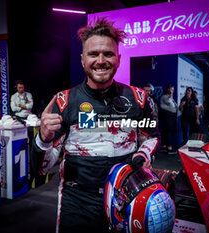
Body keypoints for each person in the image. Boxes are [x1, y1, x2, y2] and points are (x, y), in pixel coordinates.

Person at [30, 18, 160, 233]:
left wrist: (144, 155)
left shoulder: (138, 98)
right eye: (93, 54)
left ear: (118, 59)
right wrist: (42, 138)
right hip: (78, 203)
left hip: (125, 198)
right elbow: (41, 169)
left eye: (108, 54)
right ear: (82, 60)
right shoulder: (65, 101)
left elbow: (152, 137)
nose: (101, 60)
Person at [160, 85, 177, 153]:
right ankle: (169, 147)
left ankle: (164, 146)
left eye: (173, 89)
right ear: (167, 89)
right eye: (170, 89)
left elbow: (174, 105)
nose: (172, 91)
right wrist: (171, 94)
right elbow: (169, 102)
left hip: (171, 116)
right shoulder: (165, 96)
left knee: (167, 130)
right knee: (168, 131)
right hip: (167, 115)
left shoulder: (169, 97)